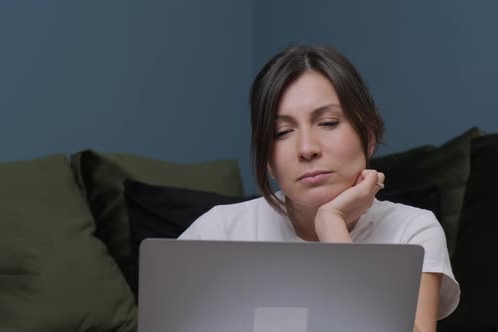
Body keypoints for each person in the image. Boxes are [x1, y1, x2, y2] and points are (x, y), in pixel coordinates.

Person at [179, 44, 460, 332]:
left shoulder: (411, 231)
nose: (307, 148)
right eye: (283, 132)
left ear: (369, 135)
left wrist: (333, 229)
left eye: (327, 123)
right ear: (268, 161)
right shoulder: (218, 232)